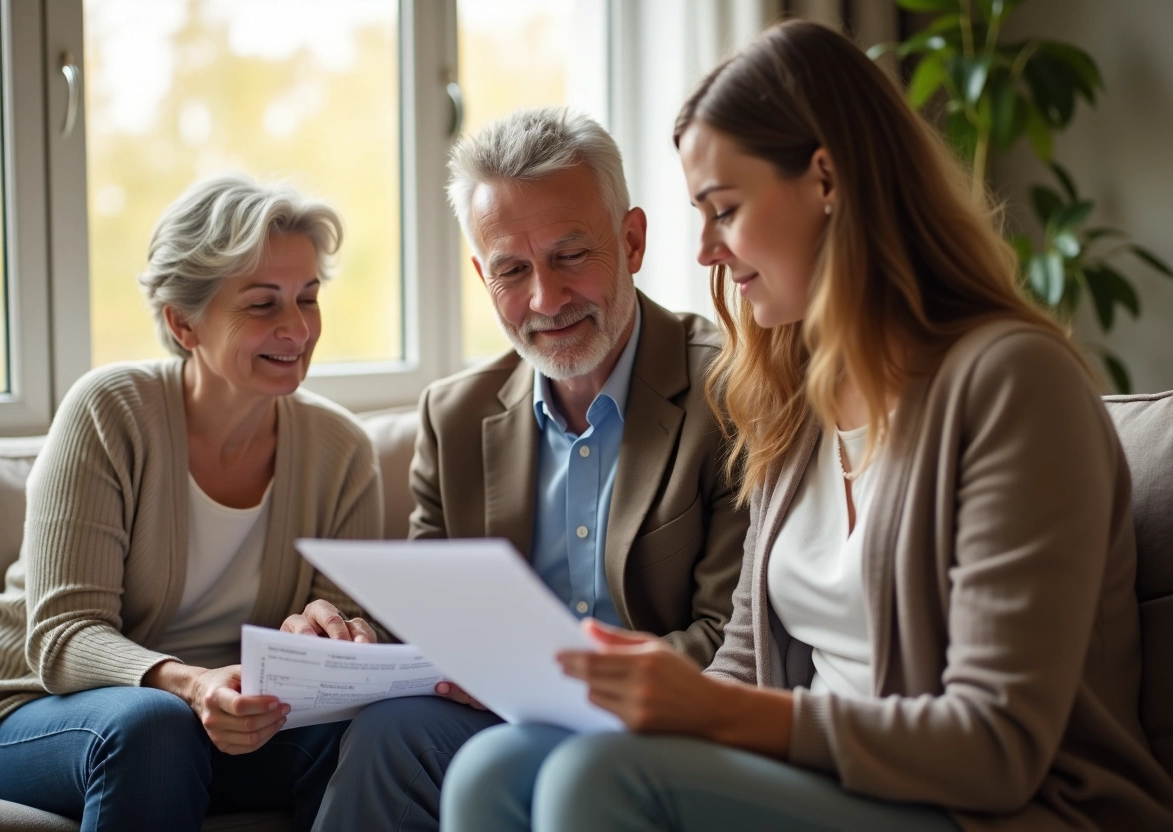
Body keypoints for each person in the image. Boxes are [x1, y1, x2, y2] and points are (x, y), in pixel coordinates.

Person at [439, 20, 1173, 832]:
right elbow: (747, 667)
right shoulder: (794, 395)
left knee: (599, 781)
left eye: (724, 210)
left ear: (825, 180)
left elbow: (997, 745)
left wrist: (717, 714)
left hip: (1001, 809)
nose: (707, 251)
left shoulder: (1011, 386)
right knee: (492, 767)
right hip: (830, 787)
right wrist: (640, 685)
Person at [311, 107, 748, 831]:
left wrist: (552, 678)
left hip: (664, 724)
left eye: (571, 255)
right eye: (513, 269)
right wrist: (347, 638)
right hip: (502, 724)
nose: (545, 299)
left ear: (631, 241)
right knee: (387, 737)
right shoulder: (453, 418)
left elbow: (730, 638)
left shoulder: (728, 393)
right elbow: (436, 622)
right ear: (484, 276)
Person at [0, 176, 384, 832]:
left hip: (225, 722)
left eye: (308, 297)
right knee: (155, 727)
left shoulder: (343, 451)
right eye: (263, 304)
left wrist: (331, 636)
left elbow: (341, 626)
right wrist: (192, 684)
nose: (298, 328)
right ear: (184, 322)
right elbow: (63, 636)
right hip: (38, 707)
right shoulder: (109, 412)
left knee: (383, 729)